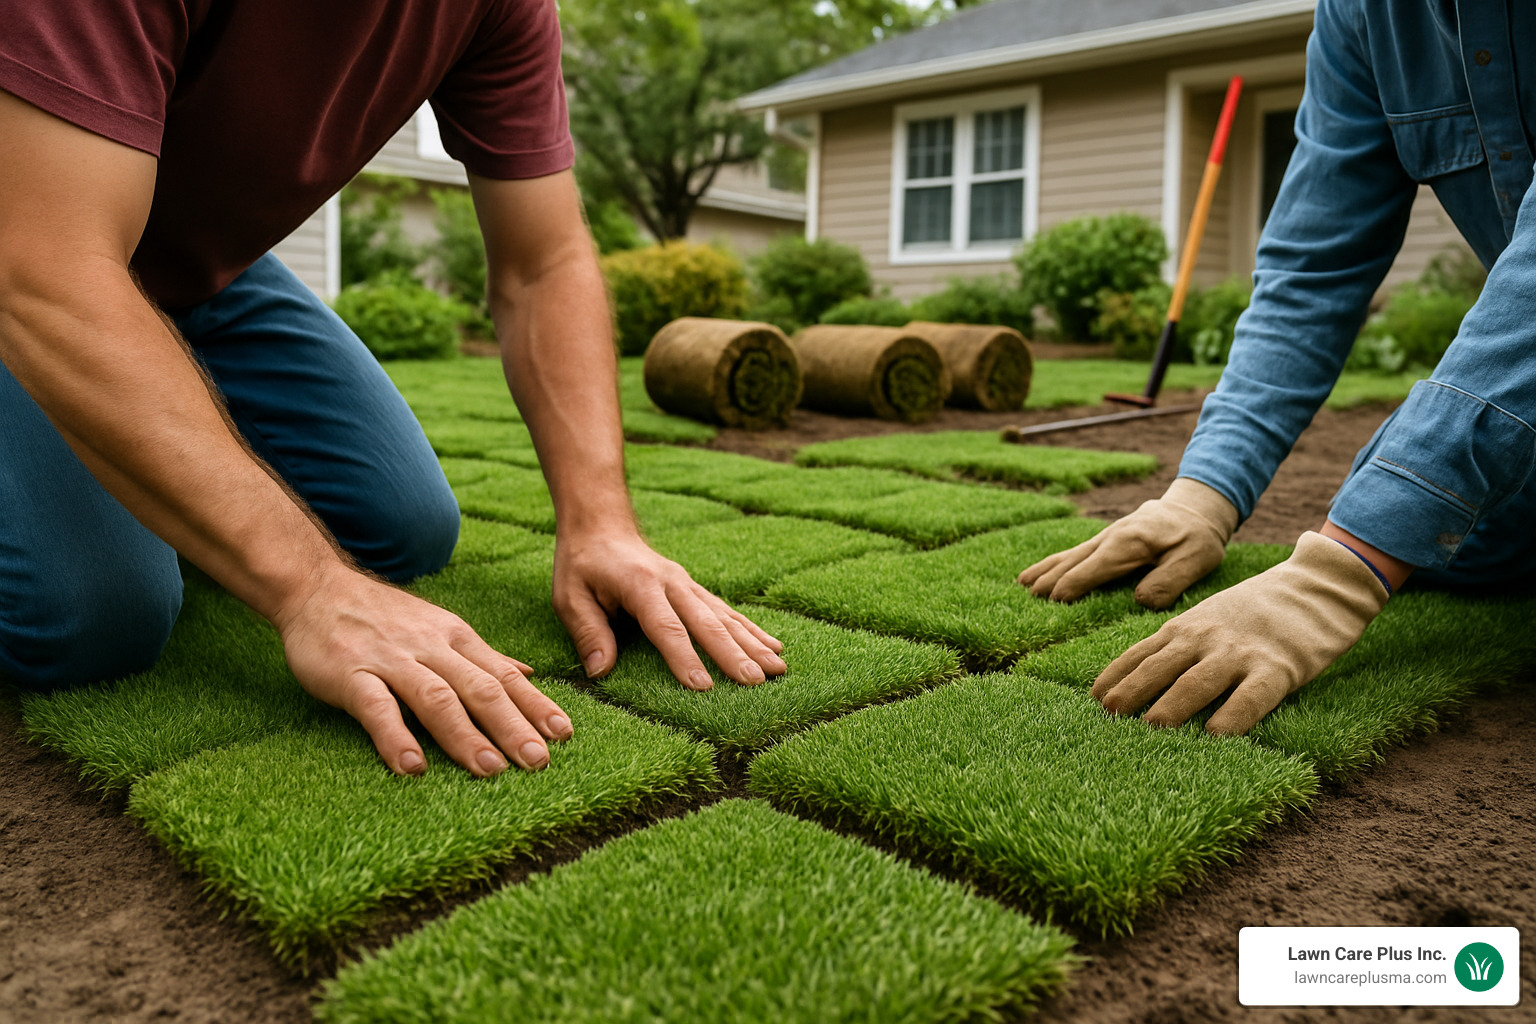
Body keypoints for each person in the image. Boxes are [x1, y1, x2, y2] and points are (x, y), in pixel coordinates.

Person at [0, 0, 785, 779]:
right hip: (36, 240)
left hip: (193, 267)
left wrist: (601, 522)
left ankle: (143, 460)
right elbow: (47, 265)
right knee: (94, 617)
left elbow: (542, 263)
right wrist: (308, 589)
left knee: (402, 526)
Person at [1020, 0, 1536, 734]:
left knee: (1404, 509)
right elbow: (1311, 271)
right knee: (1441, 528)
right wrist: (1203, 495)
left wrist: (1339, 574)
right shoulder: (1363, 16)